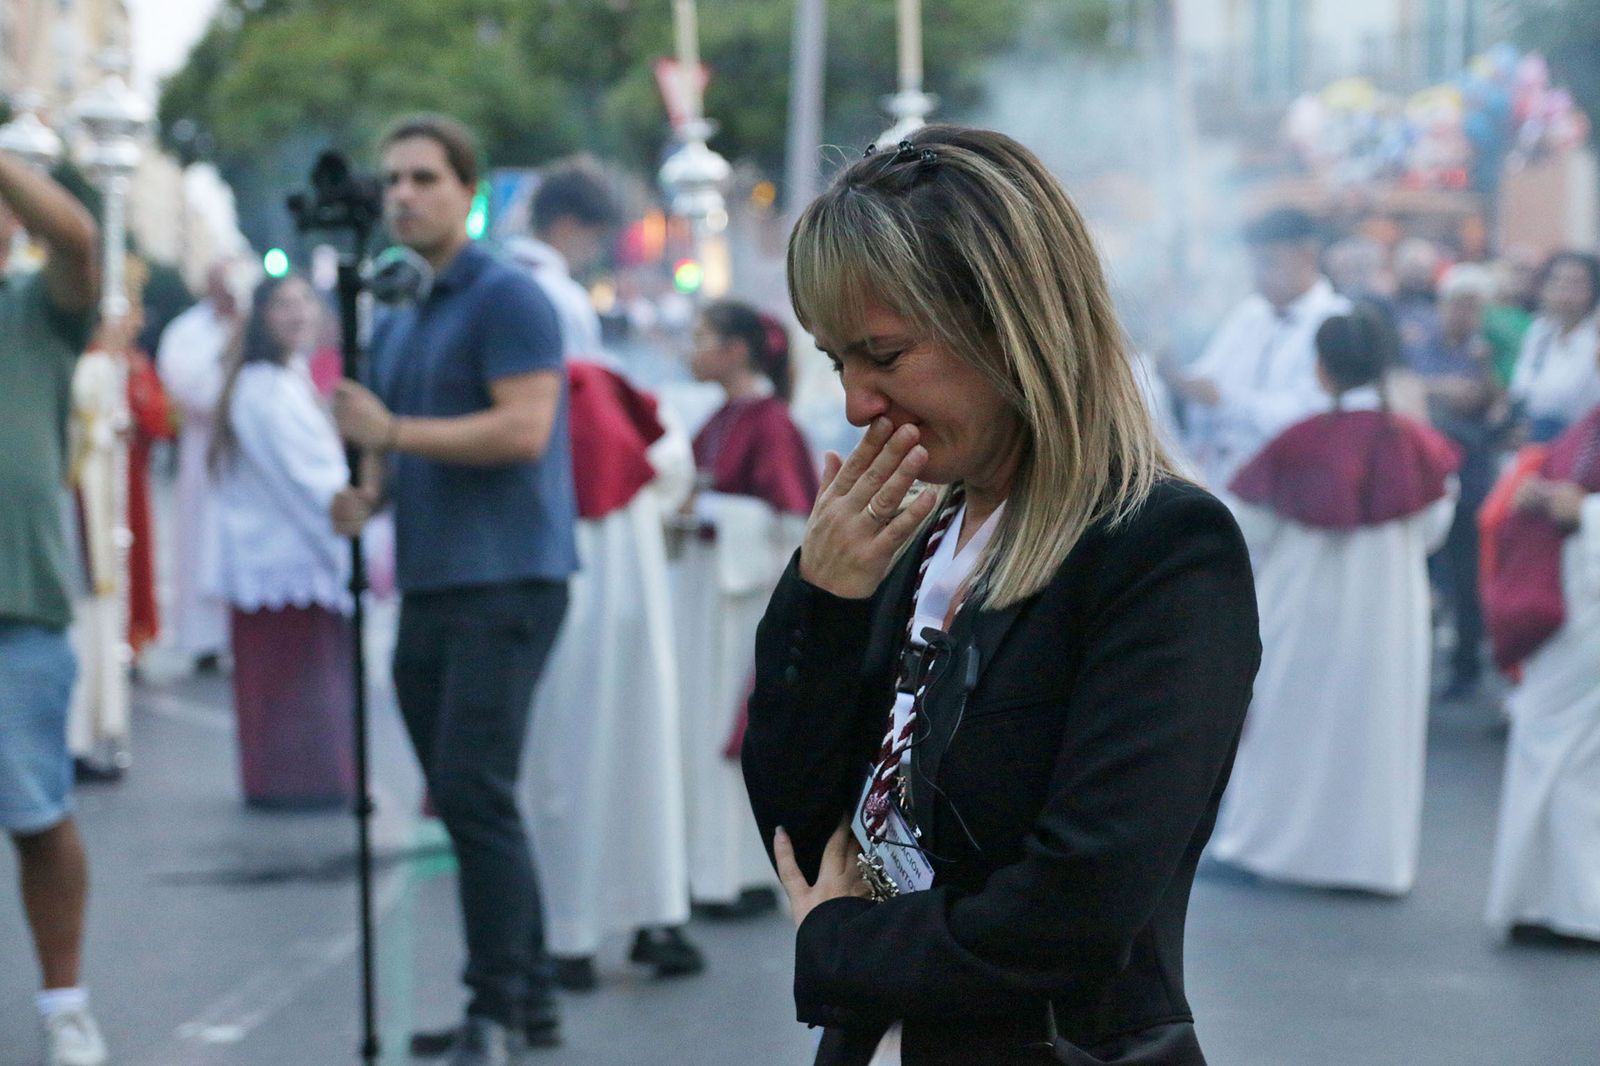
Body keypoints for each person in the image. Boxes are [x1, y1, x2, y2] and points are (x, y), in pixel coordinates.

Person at [744, 128, 1260, 1065]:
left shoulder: (1160, 547)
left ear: (1009, 326)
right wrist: (822, 602)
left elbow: (1079, 902)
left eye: (886, 355)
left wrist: (844, 946)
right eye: (836, 363)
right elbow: (798, 828)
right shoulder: (911, 535)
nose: (857, 403)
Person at [330, 114, 576, 1066]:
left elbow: (522, 430)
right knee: (473, 797)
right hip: (435, 583)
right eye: (391, 179)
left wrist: (391, 435)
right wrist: (365, 494)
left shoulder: (508, 297)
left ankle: (495, 1008)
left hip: (509, 579)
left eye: (424, 177)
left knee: (473, 793)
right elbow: (392, 460)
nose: (402, 194)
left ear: (466, 191)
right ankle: (534, 993)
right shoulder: (402, 317)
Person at [509, 159, 705, 988]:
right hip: (600, 551)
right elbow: (647, 455)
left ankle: (570, 928)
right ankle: (630, 915)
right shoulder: (551, 311)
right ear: (577, 230)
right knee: (627, 748)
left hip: (552, 553)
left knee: (562, 756)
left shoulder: (506, 293)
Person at [1210, 310, 1460, 895]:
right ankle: (1372, 863)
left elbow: (1248, 530)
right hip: (1390, 608)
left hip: (1302, 602)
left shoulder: (1297, 442)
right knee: (1378, 726)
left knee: (1283, 719)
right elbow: (1432, 528)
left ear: (1321, 370)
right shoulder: (1417, 443)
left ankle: (1265, 846)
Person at [0, 148, 107, 1066]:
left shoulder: (35, 310)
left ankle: (64, 1003)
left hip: (16, 609)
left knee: (36, 815)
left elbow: (76, 235)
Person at [677, 299, 818, 919]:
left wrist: (705, 513)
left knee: (739, 735)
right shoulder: (716, 418)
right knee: (703, 730)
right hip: (710, 597)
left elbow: (791, 521)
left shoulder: (772, 424)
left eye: (701, 336)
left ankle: (743, 872)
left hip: (750, 604)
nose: (691, 348)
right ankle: (711, 870)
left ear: (735, 350)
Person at [208, 274, 354, 809]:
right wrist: (351, 542)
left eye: (305, 304)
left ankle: (300, 780)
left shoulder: (282, 377)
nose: (297, 315)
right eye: (283, 306)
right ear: (262, 318)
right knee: (294, 688)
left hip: (288, 555)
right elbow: (307, 482)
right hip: (287, 558)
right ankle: (295, 784)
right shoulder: (265, 389)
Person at [1482, 401, 1600, 944]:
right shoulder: (1589, 418)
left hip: (1587, 598)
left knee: (1577, 757)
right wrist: (1536, 492)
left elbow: (1579, 502)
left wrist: (1582, 512)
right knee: (1549, 746)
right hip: (1570, 598)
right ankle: (1544, 898)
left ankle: (1580, 906)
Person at [1178, 206, 1351, 495]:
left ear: (1307, 257)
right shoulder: (1251, 312)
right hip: (1221, 476)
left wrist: (1223, 400)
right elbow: (1209, 373)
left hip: (1288, 487)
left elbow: (1312, 415)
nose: (1257, 276)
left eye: (1268, 263)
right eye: (1253, 264)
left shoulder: (1337, 322)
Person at [1405, 264, 1505, 697]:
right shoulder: (1420, 345)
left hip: (1470, 476)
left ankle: (1466, 666)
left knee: (1466, 577)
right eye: (1454, 303)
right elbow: (1409, 392)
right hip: (1423, 476)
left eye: (1471, 305)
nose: (1461, 313)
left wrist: (1444, 389)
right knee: (1419, 571)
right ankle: (1414, 657)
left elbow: (1485, 400)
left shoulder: (1487, 353)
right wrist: (1442, 389)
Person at [155, 259, 241, 671]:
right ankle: (204, 637)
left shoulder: (250, 322)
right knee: (199, 537)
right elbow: (188, 387)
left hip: (247, 454)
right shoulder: (187, 331)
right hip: (204, 450)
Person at [1509, 251, 1600, 443]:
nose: (1564, 292)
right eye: (1557, 282)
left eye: (1575, 284)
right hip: (1535, 438)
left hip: (1580, 441)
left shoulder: (1594, 339)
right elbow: (1521, 386)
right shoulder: (1540, 332)